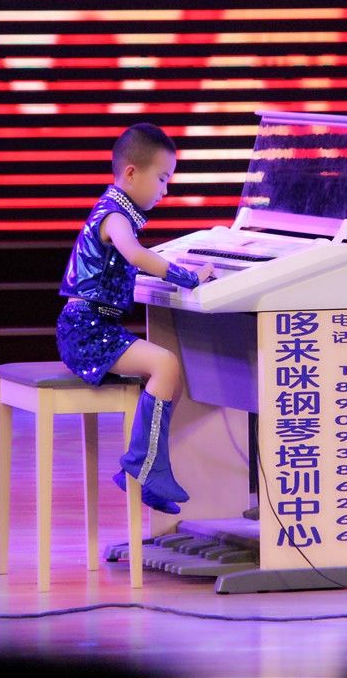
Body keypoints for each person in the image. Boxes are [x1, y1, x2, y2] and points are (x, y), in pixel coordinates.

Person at [56, 123, 213, 515]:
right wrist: (188, 277)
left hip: (96, 326)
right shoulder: (114, 216)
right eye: (162, 178)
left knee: (172, 380)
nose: (165, 190)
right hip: (85, 331)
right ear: (131, 173)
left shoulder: (115, 211)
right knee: (166, 364)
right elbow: (136, 254)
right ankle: (144, 467)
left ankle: (144, 469)